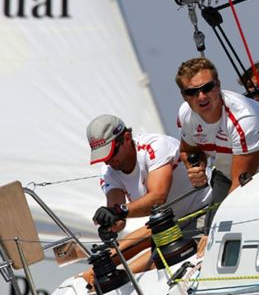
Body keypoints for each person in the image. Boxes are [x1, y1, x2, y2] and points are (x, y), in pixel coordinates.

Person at [84, 114, 212, 280]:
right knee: (111, 271)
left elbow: (158, 198)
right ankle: (85, 279)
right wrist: (109, 224)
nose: (109, 161)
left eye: (111, 152)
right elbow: (119, 219)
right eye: (103, 157)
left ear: (127, 138)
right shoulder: (108, 172)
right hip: (169, 225)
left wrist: (118, 211)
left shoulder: (155, 146)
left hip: (204, 212)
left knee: (151, 267)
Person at [175, 57, 259, 195]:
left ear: (218, 85)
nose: (201, 97)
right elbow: (188, 150)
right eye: (192, 92)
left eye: (207, 88)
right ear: (183, 96)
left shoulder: (243, 118)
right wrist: (196, 168)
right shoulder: (185, 115)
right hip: (225, 174)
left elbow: (239, 186)